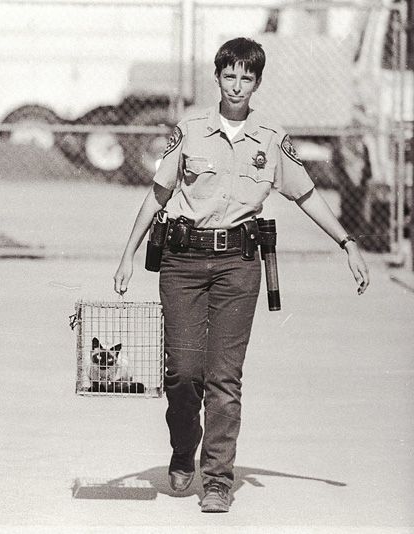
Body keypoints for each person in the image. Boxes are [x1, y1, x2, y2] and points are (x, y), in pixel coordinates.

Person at [113, 37, 369, 513]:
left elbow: (307, 195)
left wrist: (347, 243)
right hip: (183, 263)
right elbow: (157, 195)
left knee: (224, 380)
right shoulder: (188, 130)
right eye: (228, 76)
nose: (236, 86)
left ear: (256, 83)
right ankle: (183, 448)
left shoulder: (272, 137)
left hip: (238, 266)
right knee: (182, 374)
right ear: (217, 78)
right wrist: (127, 254)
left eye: (245, 78)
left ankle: (217, 479)